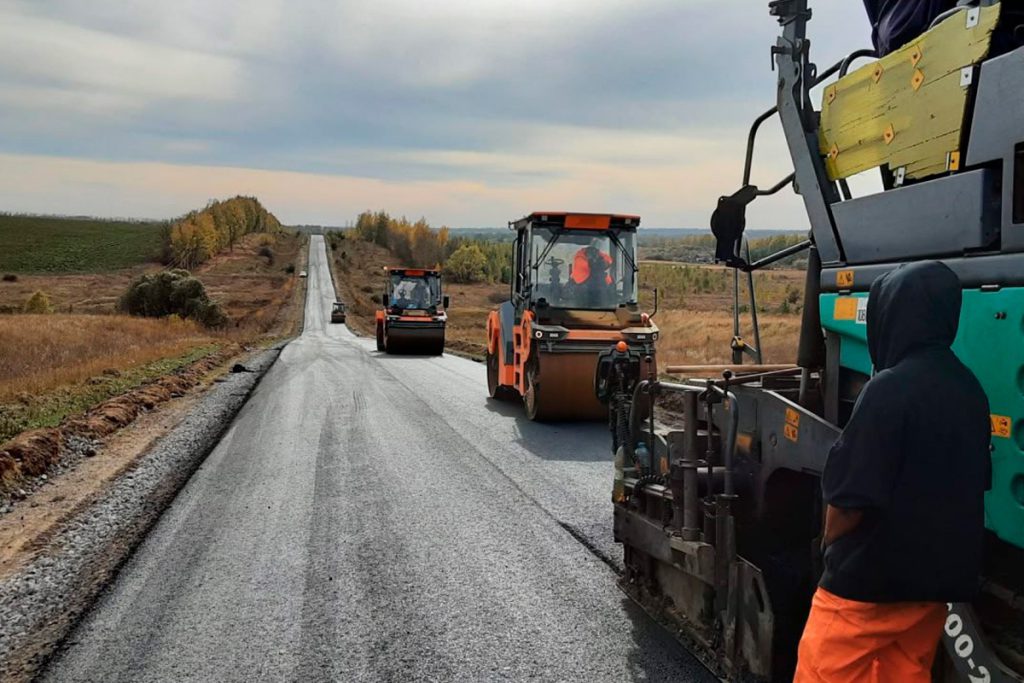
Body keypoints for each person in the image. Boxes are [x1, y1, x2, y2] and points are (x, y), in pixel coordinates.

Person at [795, 261, 990, 682]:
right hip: (932, 590)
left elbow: (849, 502)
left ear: (893, 316)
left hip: (866, 586)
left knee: (821, 671)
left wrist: (827, 548)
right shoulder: (969, 389)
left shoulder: (888, 389)